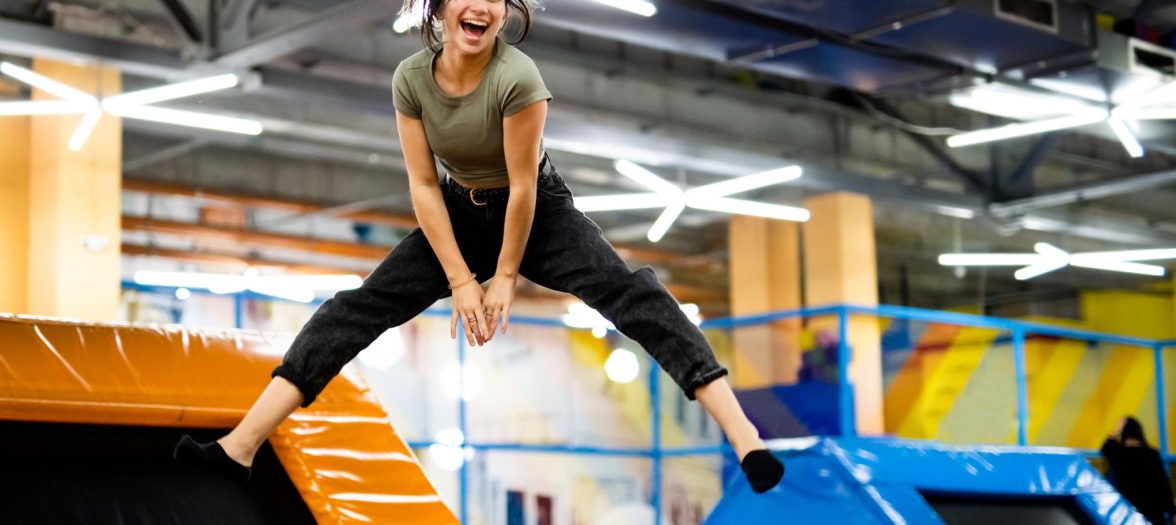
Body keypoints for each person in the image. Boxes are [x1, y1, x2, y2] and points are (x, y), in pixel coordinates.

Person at [173, 0, 785, 494]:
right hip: (454, 209)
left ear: (505, 11)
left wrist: (503, 279)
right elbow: (419, 183)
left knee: (632, 292)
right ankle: (240, 447)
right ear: (438, 9)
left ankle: (744, 436)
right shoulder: (410, 79)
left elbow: (522, 189)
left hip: (538, 213)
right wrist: (462, 279)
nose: (482, 8)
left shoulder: (518, 78)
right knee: (355, 308)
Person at [1101, 416, 1175, 524]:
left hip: (1128, 513)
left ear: (1124, 434)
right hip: (1152, 513)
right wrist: (1172, 511)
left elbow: (1106, 446)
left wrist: (1118, 430)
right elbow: (1163, 486)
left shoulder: (1120, 454)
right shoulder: (1152, 454)